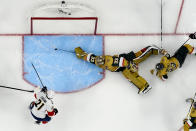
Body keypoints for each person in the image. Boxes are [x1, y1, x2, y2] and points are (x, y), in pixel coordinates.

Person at [75, 45, 165, 94]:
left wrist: (131, 65)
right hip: (122, 68)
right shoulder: (97, 61)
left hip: (128, 60)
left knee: (139, 56)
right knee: (129, 76)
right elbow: (91, 58)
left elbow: (122, 61)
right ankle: (144, 86)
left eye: (102, 62)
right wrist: (82, 54)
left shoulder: (110, 61)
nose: (100, 62)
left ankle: (153, 49)